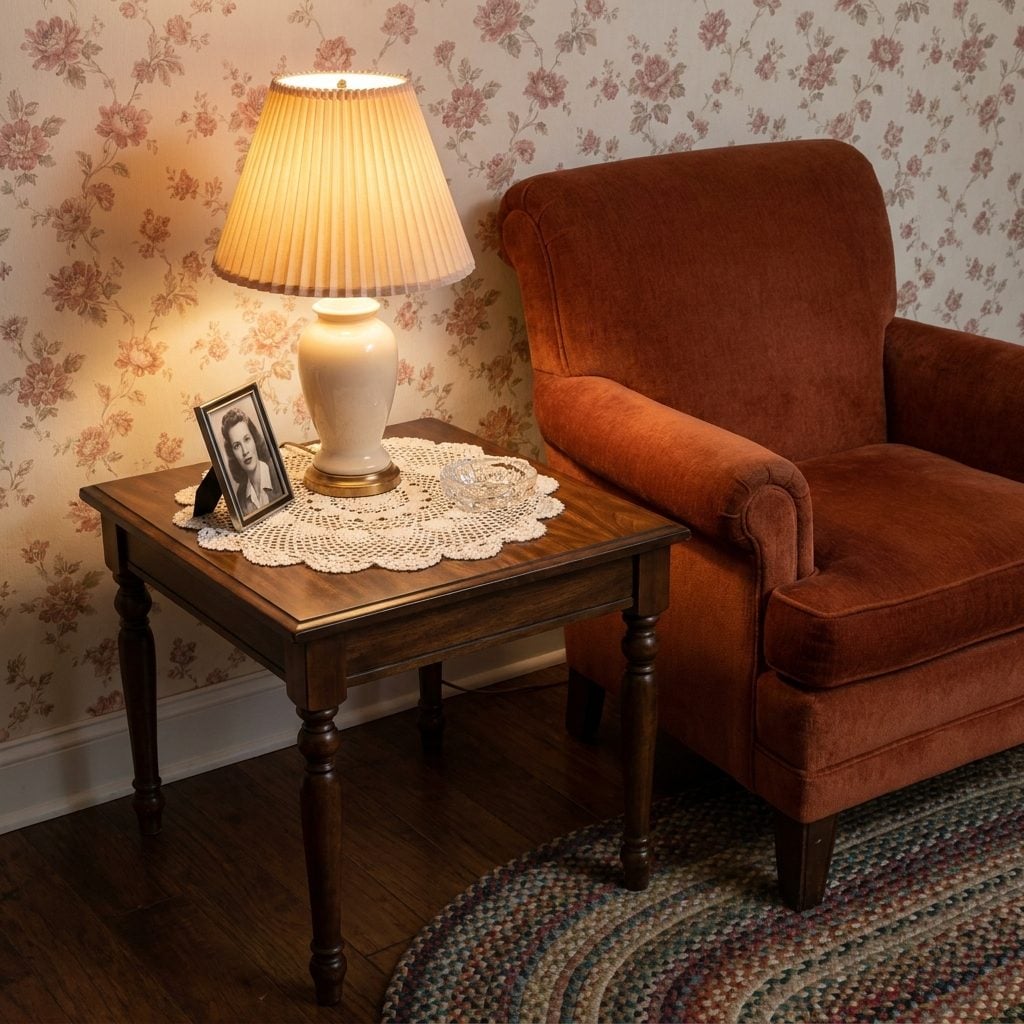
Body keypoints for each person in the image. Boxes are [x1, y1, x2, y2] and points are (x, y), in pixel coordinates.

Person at [220, 406, 284, 516]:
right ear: (232, 454)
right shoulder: (241, 495)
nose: (245, 451)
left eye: (247, 439)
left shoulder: (278, 475)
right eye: (236, 446)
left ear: (255, 440)